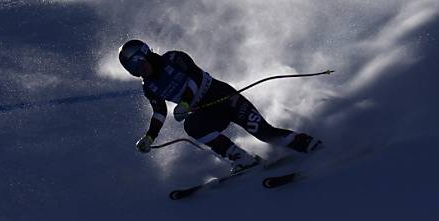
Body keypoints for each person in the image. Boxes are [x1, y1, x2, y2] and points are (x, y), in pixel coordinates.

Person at [119, 39, 323, 173]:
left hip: (224, 97)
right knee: (192, 126)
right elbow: (159, 112)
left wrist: (185, 102)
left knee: (264, 133)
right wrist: (150, 137)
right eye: (132, 68)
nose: (139, 70)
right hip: (207, 112)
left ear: (145, 53)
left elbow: (195, 77)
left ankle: (308, 144)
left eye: (138, 62)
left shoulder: (173, 58)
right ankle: (241, 158)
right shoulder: (149, 87)